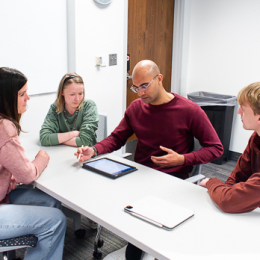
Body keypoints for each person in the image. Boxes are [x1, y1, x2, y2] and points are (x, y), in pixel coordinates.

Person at [75, 60, 224, 260]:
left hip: (171, 181)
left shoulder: (189, 110)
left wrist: (182, 159)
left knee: (144, 242)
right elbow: (117, 138)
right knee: (104, 198)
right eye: (135, 87)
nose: (140, 92)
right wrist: (94, 150)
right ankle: (137, 242)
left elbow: (216, 148)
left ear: (159, 79)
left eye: (144, 85)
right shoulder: (136, 108)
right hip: (139, 177)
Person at [0, 67, 66, 259]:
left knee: (52, 202)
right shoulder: (4, 126)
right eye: (22, 94)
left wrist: (8, 175)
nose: (28, 98)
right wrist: (42, 159)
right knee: (56, 221)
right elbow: (28, 175)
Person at [200, 82, 260, 213]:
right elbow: (237, 176)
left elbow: (228, 202)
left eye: (243, 108)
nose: (238, 111)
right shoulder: (256, 138)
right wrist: (225, 192)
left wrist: (212, 182)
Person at [40, 72, 99, 147]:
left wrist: (57, 140)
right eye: (72, 94)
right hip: (63, 153)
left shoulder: (89, 106)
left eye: (80, 93)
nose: (77, 99)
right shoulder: (55, 108)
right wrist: (73, 134)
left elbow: (85, 140)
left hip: (87, 155)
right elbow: (44, 138)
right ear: (62, 92)